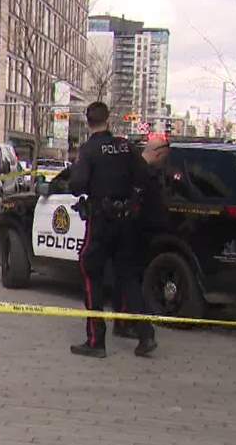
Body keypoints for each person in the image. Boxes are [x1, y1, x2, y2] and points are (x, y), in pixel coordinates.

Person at [68, 103, 157, 358]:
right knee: (128, 277)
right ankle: (145, 334)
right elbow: (144, 177)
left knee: (90, 271)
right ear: (108, 119)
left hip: (102, 221)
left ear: (88, 122)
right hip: (126, 220)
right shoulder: (126, 146)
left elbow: (77, 184)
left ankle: (96, 340)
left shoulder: (89, 150)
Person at [113, 134, 170, 340]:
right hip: (135, 233)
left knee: (123, 278)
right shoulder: (143, 174)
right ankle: (140, 329)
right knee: (131, 279)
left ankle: (122, 322)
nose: (164, 161)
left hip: (129, 232)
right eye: (164, 156)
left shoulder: (132, 169)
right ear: (158, 152)